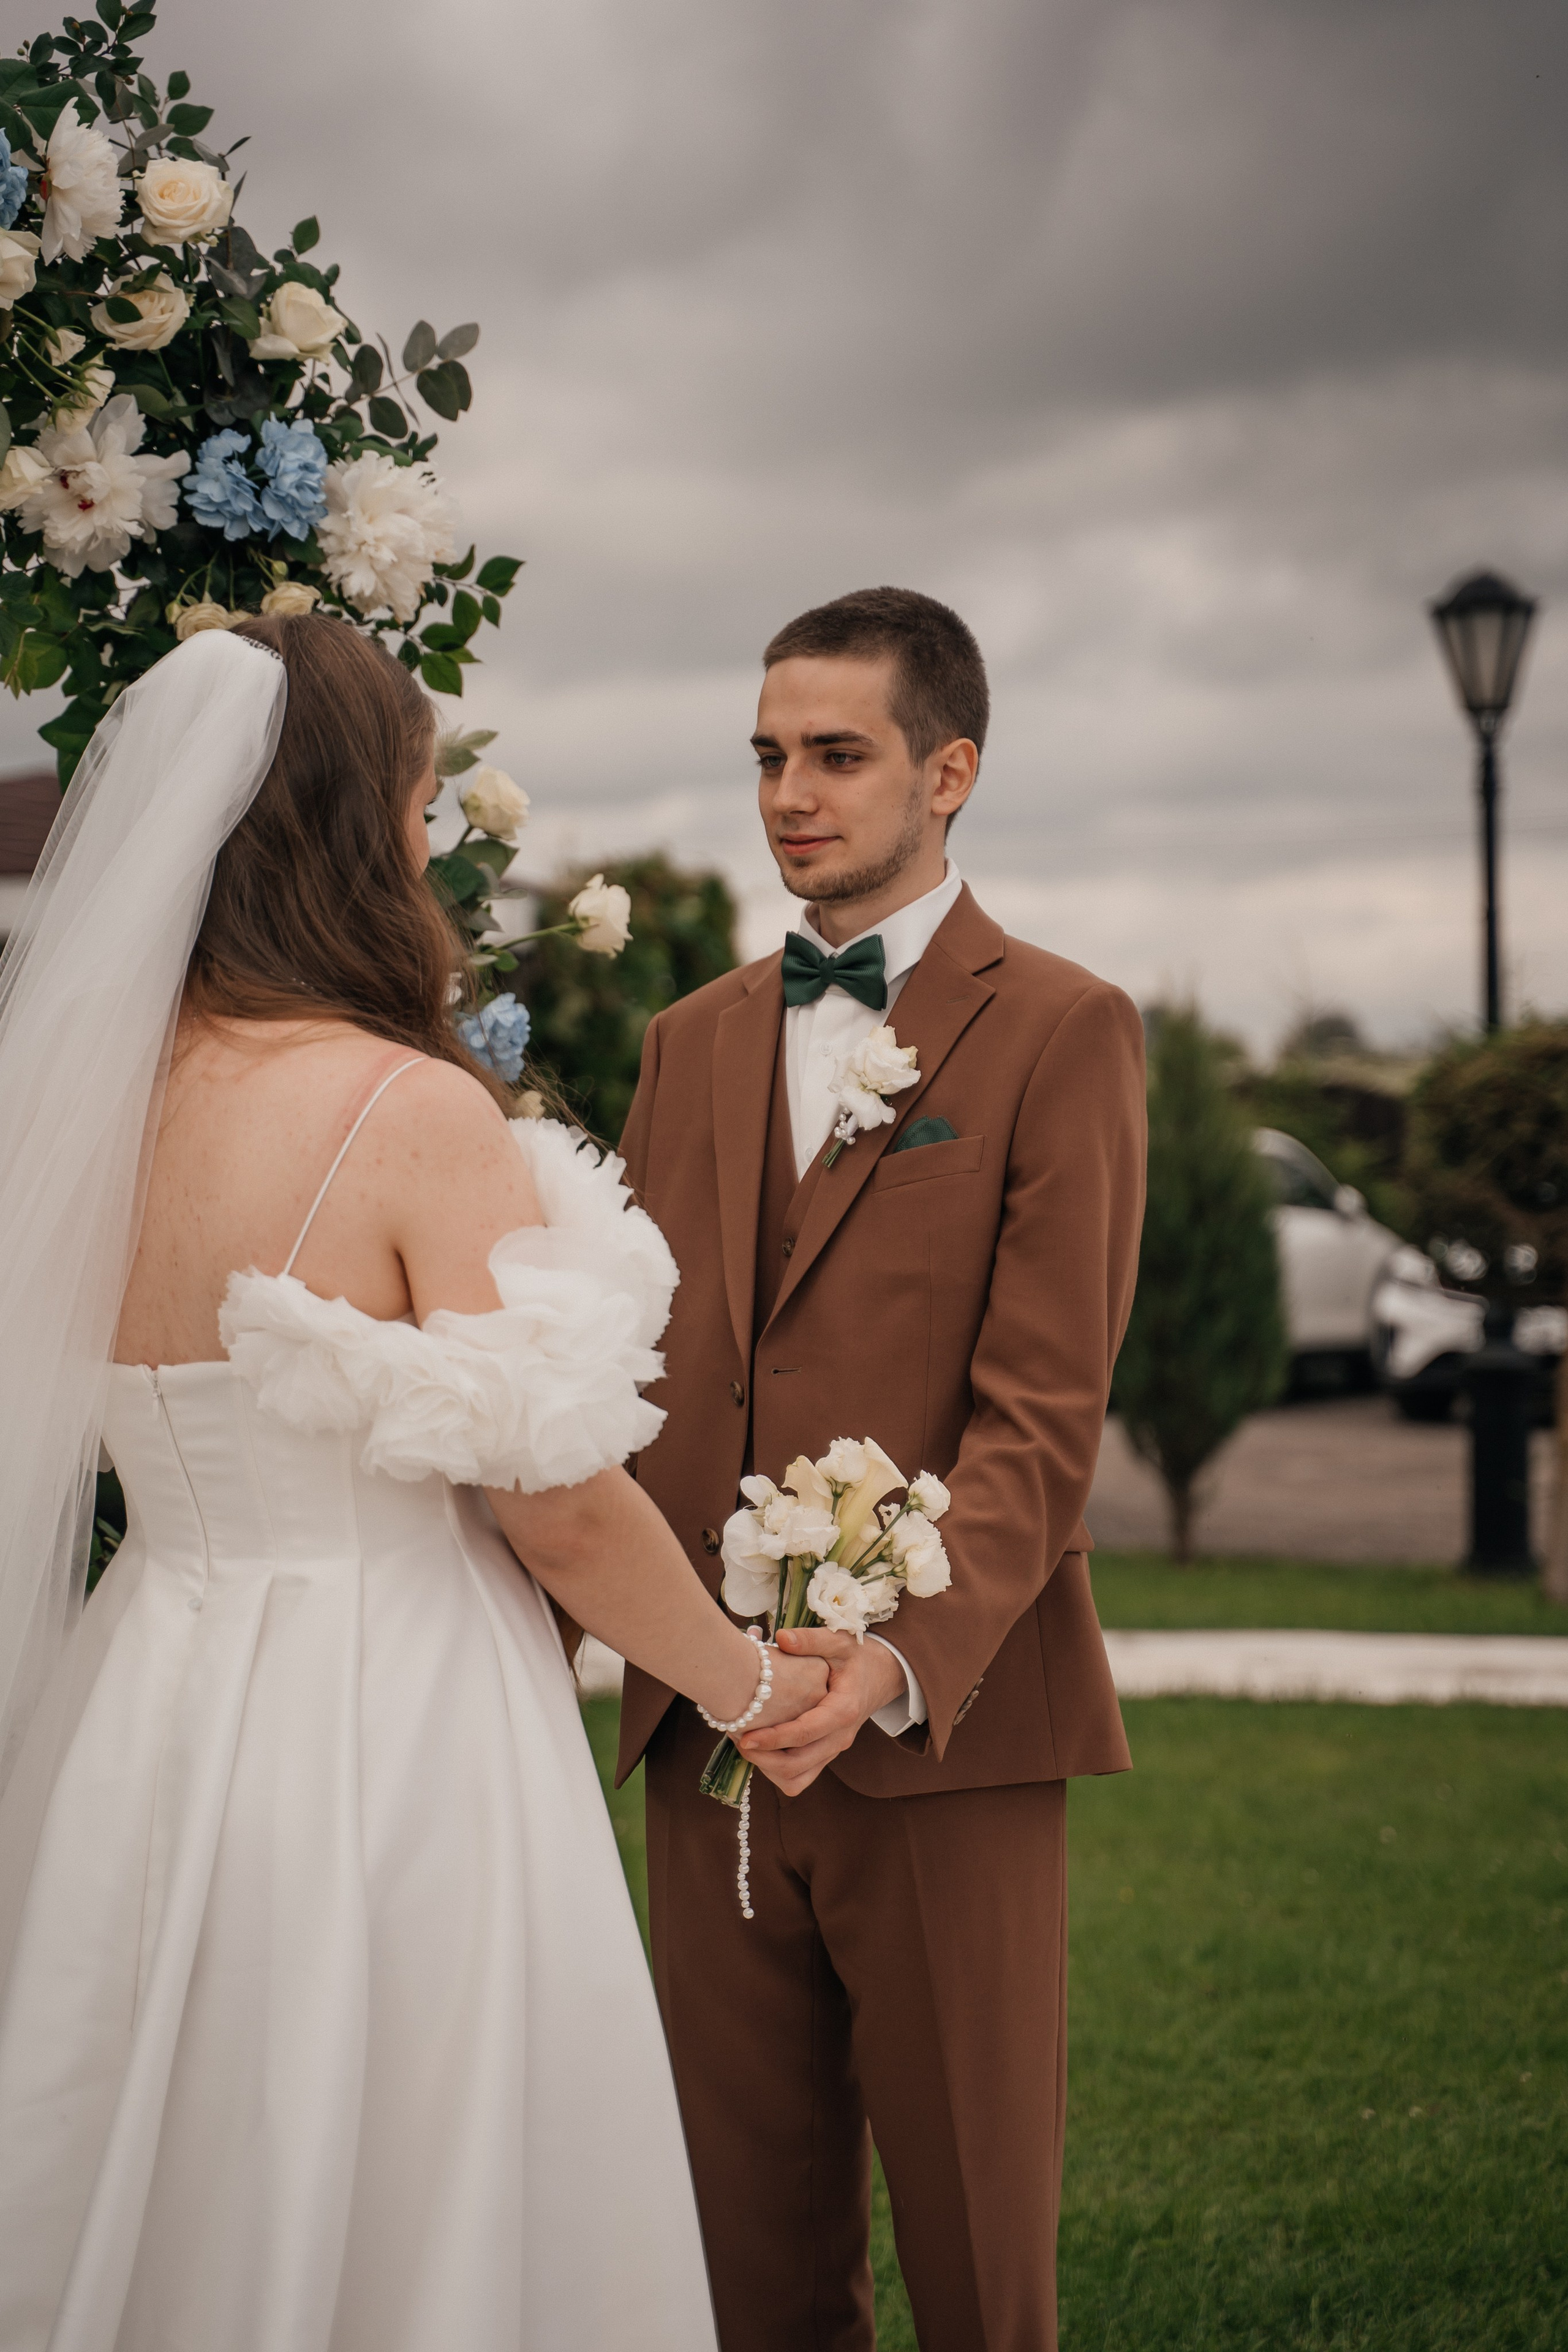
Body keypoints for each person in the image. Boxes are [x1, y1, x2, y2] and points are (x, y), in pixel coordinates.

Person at [0, 614, 826, 2352]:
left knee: (166, 2135)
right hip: (388, 1716)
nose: (426, 834)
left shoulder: (89, 1109)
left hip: (143, 1689)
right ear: (344, 821)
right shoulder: (403, 1109)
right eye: (415, 796)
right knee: (407, 2153)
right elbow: (557, 1498)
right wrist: (747, 1682)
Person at [616, 586, 1148, 2352]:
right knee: (745, 2265)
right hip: (706, 1734)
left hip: (950, 1731)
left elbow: (1043, 1416)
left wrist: (899, 1662)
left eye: (837, 754)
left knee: (982, 2269)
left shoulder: (1062, 1028)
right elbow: (641, 1371)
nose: (791, 791)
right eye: (768, 754)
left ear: (953, 770)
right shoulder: (686, 1042)